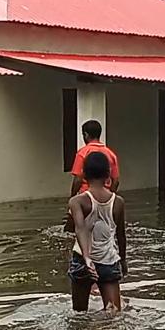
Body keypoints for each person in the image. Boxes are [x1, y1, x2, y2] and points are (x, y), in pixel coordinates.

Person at [66, 151, 128, 312]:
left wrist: (87, 258)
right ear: (108, 174)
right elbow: (121, 235)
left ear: (84, 174)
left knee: (79, 315)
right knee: (113, 312)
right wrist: (123, 261)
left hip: (83, 261)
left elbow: (80, 228)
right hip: (109, 262)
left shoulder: (77, 201)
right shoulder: (118, 202)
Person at [70, 120, 120, 196]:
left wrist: (72, 197)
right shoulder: (111, 154)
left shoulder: (82, 153)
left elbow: (78, 179)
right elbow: (115, 181)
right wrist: (110, 196)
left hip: (86, 195)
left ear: (86, 135)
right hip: (105, 195)